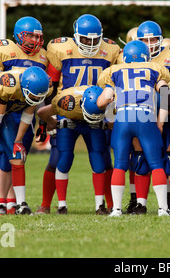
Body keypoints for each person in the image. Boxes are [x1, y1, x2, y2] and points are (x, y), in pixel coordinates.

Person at [42, 14, 120, 214]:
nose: (90, 44)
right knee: (59, 158)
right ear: (76, 36)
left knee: (101, 158)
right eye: (85, 39)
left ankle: (106, 205)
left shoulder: (109, 51)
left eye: (95, 39)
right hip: (67, 111)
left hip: (95, 112)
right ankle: (49, 205)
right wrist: (49, 118)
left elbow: (113, 86)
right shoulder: (61, 49)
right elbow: (49, 85)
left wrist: (110, 115)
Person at [96, 40, 170, 217]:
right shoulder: (155, 69)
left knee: (120, 165)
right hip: (146, 115)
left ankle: (116, 210)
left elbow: (101, 102)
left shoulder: (114, 72)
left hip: (123, 117)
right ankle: (163, 209)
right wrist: (160, 122)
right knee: (156, 164)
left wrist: (110, 104)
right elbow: (168, 96)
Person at [0, 16, 50, 214]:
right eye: (30, 35)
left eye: (38, 36)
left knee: (19, 158)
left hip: (27, 114)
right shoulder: (4, 52)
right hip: (5, 113)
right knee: (5, 158)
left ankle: (13, 202)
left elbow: (41, 92)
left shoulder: (43, 57)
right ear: (19, 35)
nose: (35, 40)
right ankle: (0, 202)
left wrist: (43, 121)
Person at [0, 67, 51, 215]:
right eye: (34, 96)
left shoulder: (39, 85)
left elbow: (27, 116)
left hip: (5, 114)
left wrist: (18, 141)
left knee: (17, 156)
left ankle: (21, 204)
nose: (36, 99)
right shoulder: (7, 84)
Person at [130, 21, 170, 215]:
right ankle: (140, 203)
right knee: (142, 161)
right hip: (143, 116)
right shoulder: (131, 58)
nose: (149, 43)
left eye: (153, 39)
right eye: (144, 40)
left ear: (160, 39)